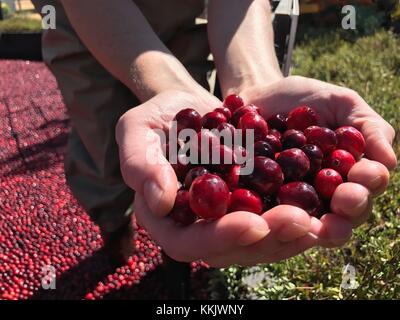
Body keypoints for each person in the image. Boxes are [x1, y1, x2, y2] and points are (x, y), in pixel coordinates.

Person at [32, 0, 396, 269]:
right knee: (101, 133)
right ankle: (112, 224)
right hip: (85, 13)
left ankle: (172, 257)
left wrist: (255, 81)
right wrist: (162, 87)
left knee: (166, 160)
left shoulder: (247, 148)